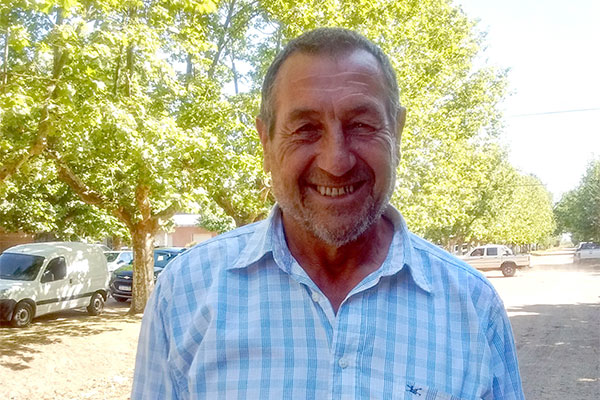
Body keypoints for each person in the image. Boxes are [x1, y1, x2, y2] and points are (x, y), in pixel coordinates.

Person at [132, 27, 525, 399]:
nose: (336, 162)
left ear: (397, 133)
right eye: (306, 129)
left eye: (361, 125)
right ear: (266, 143)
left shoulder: (473, 306)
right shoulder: (185, 293)